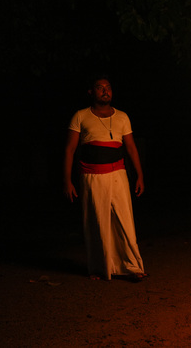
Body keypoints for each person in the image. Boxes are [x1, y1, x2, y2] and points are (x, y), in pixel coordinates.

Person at [63, 75, 148, 282]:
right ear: (91, 92)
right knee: (96, 221)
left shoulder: (122, 117)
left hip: (118, 174)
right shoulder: (80, 116)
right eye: (100, 88)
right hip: (91, 176)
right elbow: (70, 149)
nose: (105, 91)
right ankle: (99, 268)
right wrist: (67, 180)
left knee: (125, 220)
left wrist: (140, 175)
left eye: (108, 87)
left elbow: (131, 148)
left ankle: (133, 266)